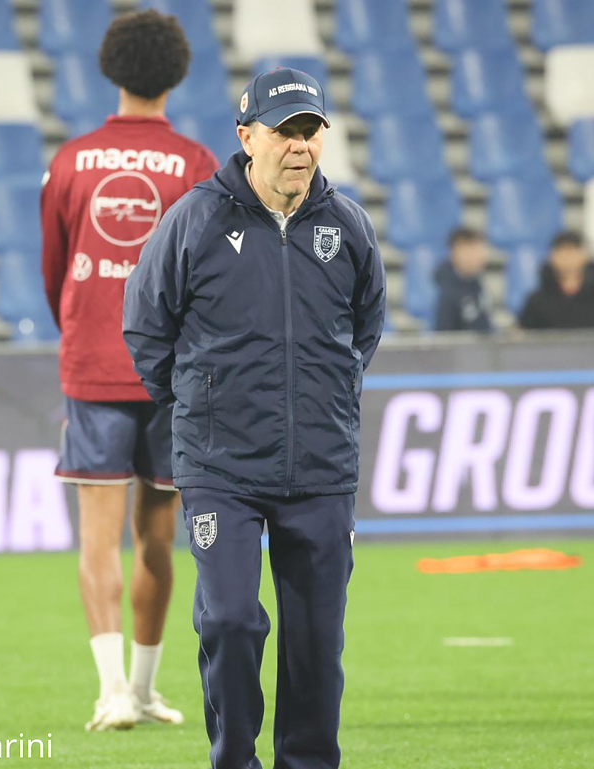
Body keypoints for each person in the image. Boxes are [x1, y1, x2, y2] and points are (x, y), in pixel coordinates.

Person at [123, 67, 386, 769]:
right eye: (284, 131)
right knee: (232, 621)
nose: (300, 146)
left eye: (311, 131)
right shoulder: (196, 219)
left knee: (316, 644)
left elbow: (365, 329)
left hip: (321, 466)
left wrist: (326, 398)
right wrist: (198, 408)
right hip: (222, 469)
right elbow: (146, 326)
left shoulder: (348, 225)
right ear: (247, 137)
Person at [39, 9, 219, 732]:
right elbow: (209, 276)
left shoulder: (70, 161)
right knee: (157, 535)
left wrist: (84, 330)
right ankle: (143, 689)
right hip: (172, 374)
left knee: (97, 535)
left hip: (92, 365)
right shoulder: (196, 164)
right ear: (176, 73)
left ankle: (112, 691)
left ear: (110, 68)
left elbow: (54, 270)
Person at [434, 226, 492, 332]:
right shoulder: (444, 291)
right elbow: (443, 335)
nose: (480, 256)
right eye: (473, 250)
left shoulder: (475, 284)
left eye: (481, 250)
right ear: (455, 252)